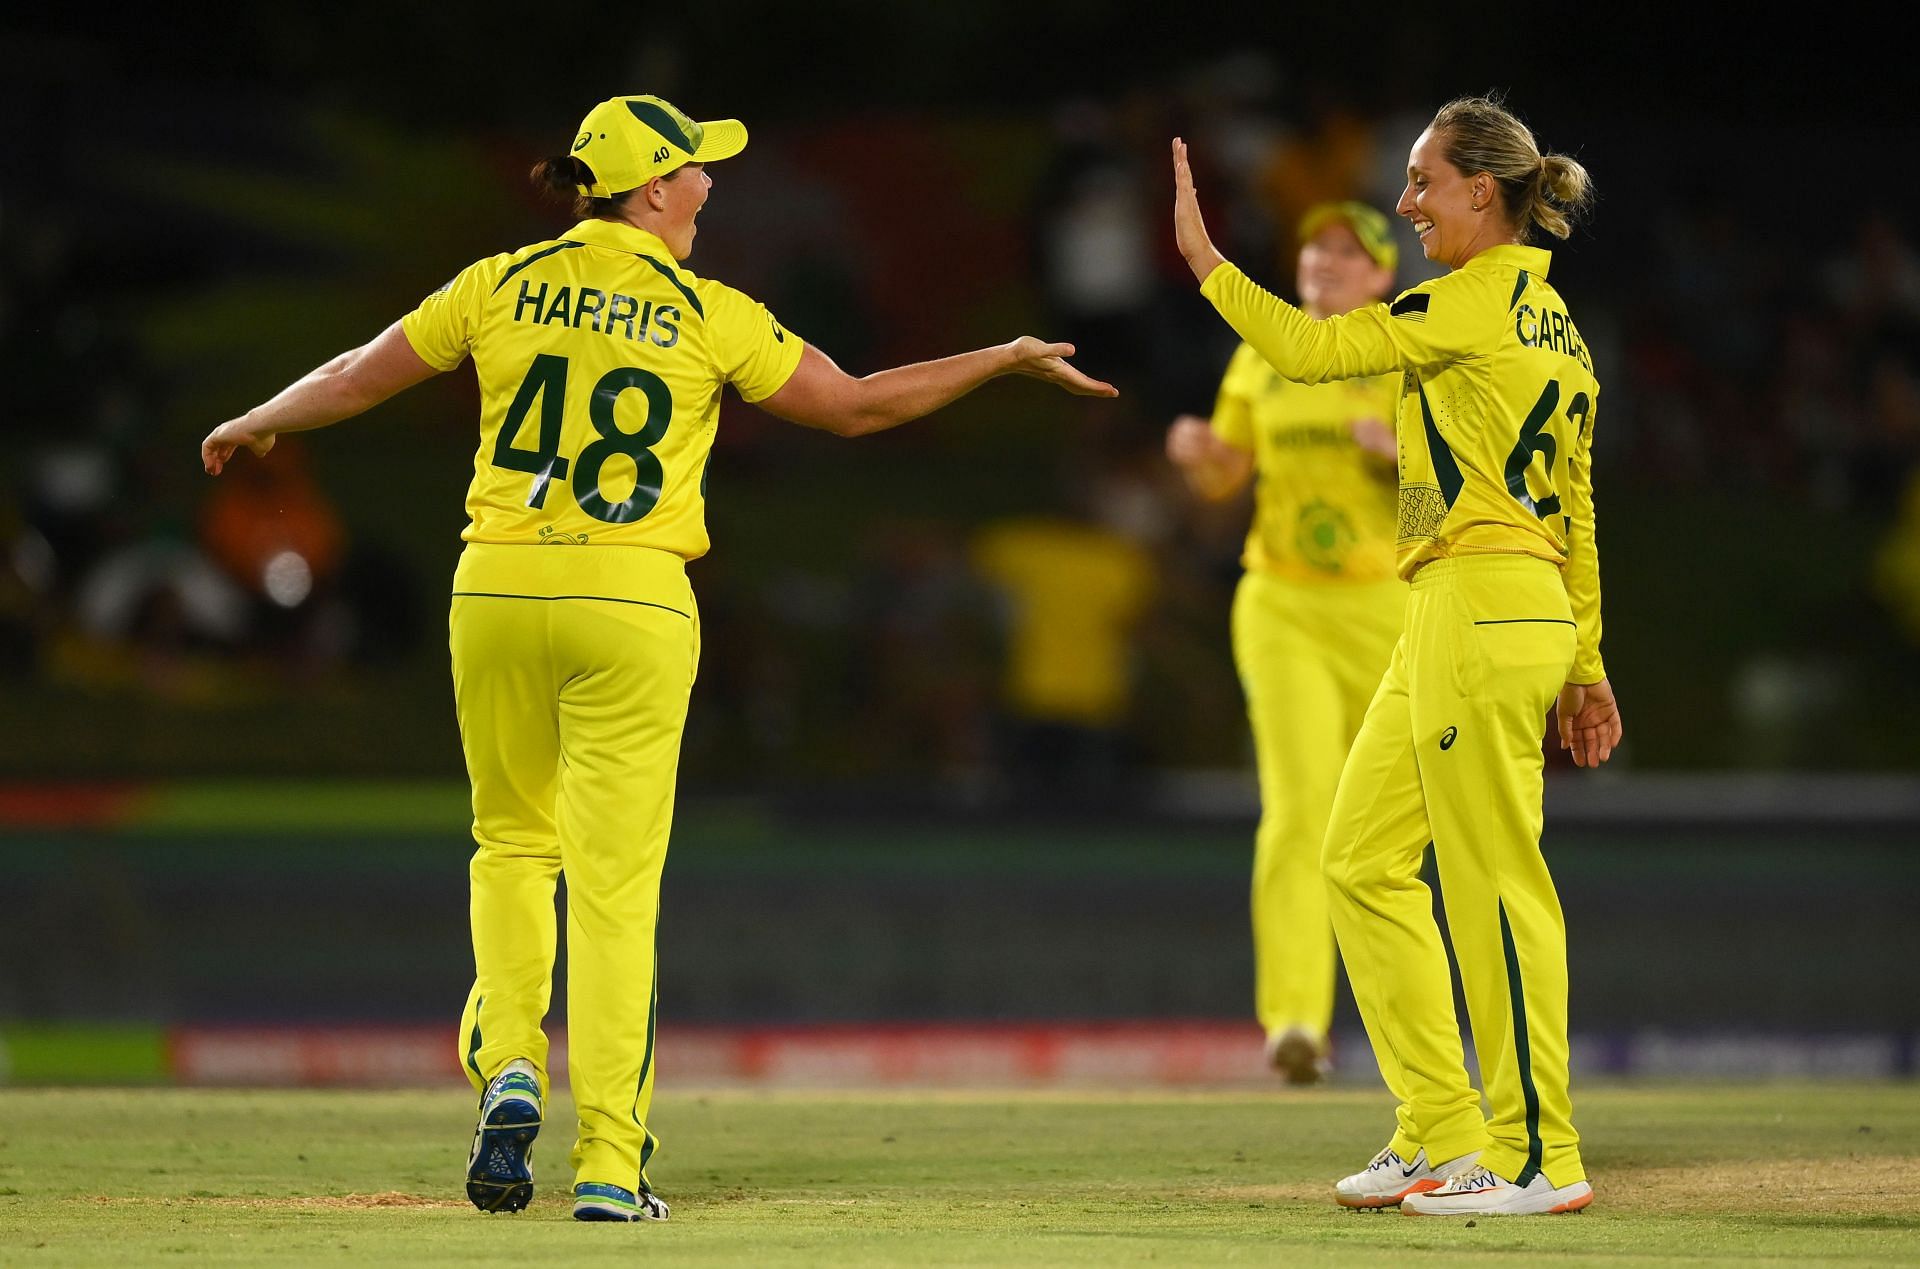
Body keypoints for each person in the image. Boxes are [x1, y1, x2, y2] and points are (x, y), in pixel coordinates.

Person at [202, 92, 1115, 1224]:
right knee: (616, 892)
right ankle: (610, 1167)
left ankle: (510, 1064)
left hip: (494, 585)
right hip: (631, 597)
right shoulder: (707, 311)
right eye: (695, 169)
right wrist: (1004, 357)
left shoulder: (499, 283)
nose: (711, 185)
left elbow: (359, 372)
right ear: (649, 190)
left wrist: (258, 416)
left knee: (509, 843)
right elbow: (858, 408)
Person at [1171, 94, 1623, 1217]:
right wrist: (1587, 657)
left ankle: (1536, 1155)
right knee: (1360, 859)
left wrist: (1204, 261)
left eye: (1424, 180)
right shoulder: (1552, 323)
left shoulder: (1465, 302)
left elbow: (1316, 351)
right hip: (1464, 601)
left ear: (1485, 188)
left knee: (1493, 887)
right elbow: (1572, 506)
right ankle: (1440, 1124)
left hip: (1478, 608)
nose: (1407, 199)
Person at [1164, 200, 1404, 1084]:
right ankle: (1296, 1020)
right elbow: (1226, 474)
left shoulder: (1403, 356)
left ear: (1383, 278)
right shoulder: (1261, 355)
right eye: (1316, 248)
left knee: (1381, 828)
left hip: (1386, 608)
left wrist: (1403, 462)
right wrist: (1198, 452)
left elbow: (1445, 510)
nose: (1326, 261)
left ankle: (1399, 1026)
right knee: (1300, 808)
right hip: (1282, 604)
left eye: (1349, 252)